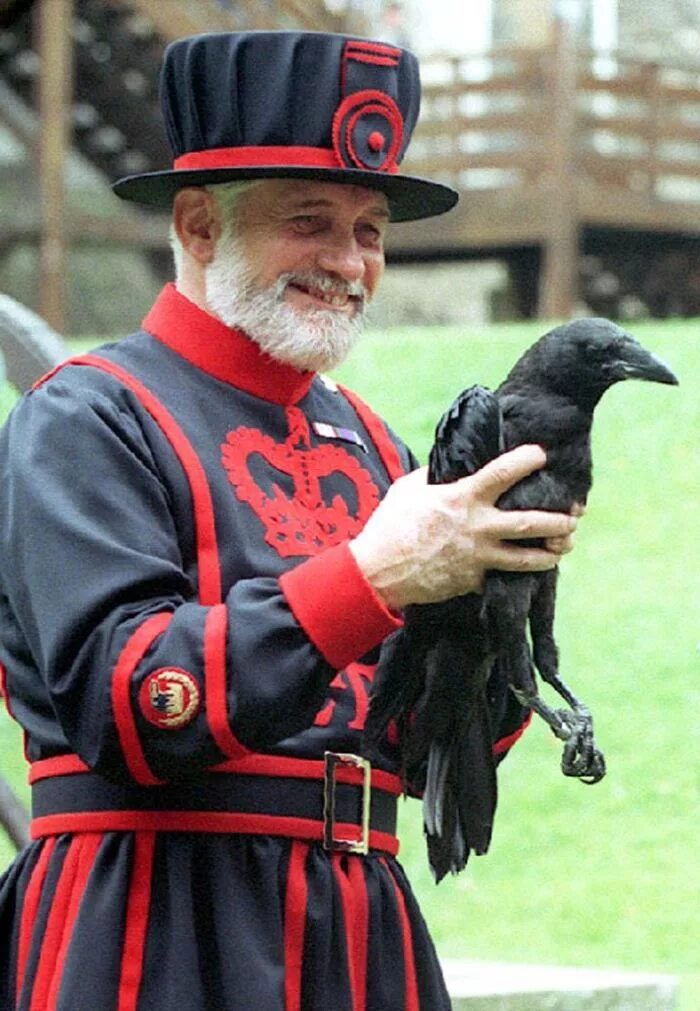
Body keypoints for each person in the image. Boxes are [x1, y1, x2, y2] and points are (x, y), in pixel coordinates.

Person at [0, 31, 578, 1011]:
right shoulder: (84, 416)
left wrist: (501, 612)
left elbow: (439, 756)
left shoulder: (377, 445)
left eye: (369, 231)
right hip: (149, 930)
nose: (349, 262)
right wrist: (376, 581)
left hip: (362, 936)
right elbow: (134, 706)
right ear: (196, 226)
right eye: (311, 221)